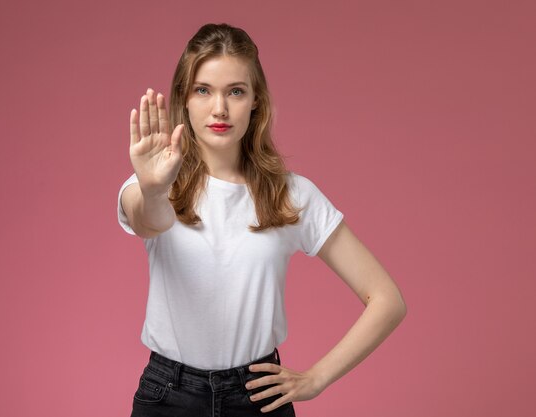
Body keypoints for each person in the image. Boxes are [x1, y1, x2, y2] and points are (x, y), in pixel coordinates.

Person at [118, 23, 407, 417]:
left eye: (235, 91)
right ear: (184, 99)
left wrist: (316, 378)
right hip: (169, 396)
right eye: (203, 90)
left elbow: (387, 301)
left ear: (256, 100)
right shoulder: (154, 185)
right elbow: (147, 220)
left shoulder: (292, 194)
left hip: (256, 398)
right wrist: (152, 189)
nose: (219, 108)